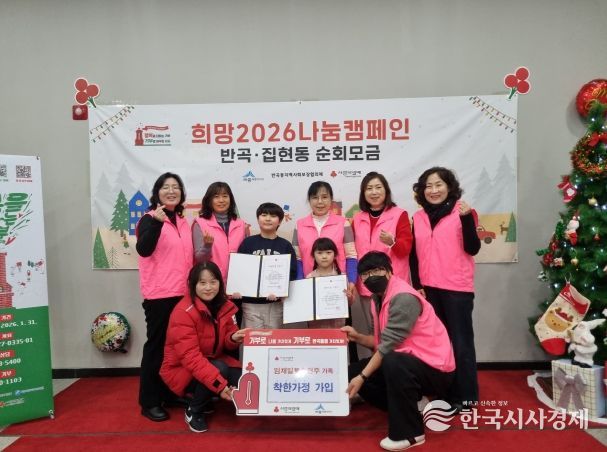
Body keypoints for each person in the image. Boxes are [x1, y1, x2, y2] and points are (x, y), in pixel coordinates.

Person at [343, 251, 455, 451]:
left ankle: (410, 433)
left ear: (389, 271)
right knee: (353, 371)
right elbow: (380, 342)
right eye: (365, 274)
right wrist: (357, 337)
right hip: (408, 362)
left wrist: (362, 377)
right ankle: (414, 404)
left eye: (376, 271)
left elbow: (387, 347)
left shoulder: (403, 297)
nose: (370, 277)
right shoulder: (378, 298)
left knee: (390, 362)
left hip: (435, 368)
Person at [410, 166, 481, 411]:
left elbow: (473, 248)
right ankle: (446, 393)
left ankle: (467, 397)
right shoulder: (418, 217)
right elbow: (414, 254)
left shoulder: (462, 212)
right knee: (438, 344)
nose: (433, 190)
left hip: (456, 289)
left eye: (438, 184)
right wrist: (417, 285)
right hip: (429, 289)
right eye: (428, 186)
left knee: (461, 343)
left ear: (449, 187)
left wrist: (466, 219)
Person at [160, 262, 248, 433]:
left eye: (213, 282)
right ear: (193, 285)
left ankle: (206, 398)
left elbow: (226, 339)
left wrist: (233, 338)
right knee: (220, 370)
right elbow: (191, 359)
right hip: (181, 370)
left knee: (244, 378)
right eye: (202, 283)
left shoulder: (224, 304)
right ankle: (194, 410)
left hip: (212, 361)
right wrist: (221, 387)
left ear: (220, 283)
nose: (208, 288)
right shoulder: (183, 312)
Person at [135, 172, 193, 422]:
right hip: (159, 295)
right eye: (165, 187)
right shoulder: (149, 219)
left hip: (183, 294)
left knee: (176, 349)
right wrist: (157, 223)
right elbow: (143, 249)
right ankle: (149, 402)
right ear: (157, 193)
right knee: (157, 347)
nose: (171, 191)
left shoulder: (182, 221)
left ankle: (169, 393)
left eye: (176, 187)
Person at [351, 172, 413, 358]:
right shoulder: (358, 218)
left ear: (386, 191)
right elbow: (352, 253)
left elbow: (406, 249)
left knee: (393, 332)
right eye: (369, 188)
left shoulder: (399, 214)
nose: (374, 192)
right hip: (367, 284)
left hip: (392, 285)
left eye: (378, 187)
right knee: (373, 330)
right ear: (363, 193)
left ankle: (394, 368)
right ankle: (376, 369)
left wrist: (392, 242)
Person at [233, 202, 297, 329]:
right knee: (254, 338)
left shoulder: (285, 245)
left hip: (275, 303)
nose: (268, 219)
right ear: (258, 219)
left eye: (273, 216)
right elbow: (239, 270)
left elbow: (292, 273)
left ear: (280, 221)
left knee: (274, 338)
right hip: (251, 303)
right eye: (264, 215)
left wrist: (281, 292)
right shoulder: (248, 243)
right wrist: (237, 288)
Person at [192, 181, 248, 326]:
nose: (221, 200)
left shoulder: (241, 224)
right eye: (216, 196)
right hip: (211, 287)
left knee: (234, 330)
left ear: (231, 199)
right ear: (209, 200)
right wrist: (207, 246)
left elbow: (247, 258)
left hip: (237, 288)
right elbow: (199, 259)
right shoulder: (200, 223)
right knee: (212, 330)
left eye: (225, 196)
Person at [306, 237, 355, 329]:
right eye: (319, 253)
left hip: (338, 325)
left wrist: (349, 297)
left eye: (328, 252)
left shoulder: (342, 278)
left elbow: (349, 304)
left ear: (335, 255)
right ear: (313, 255)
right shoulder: (309, 278)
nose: (324, 256)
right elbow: (306, 304)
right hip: (316, 326)